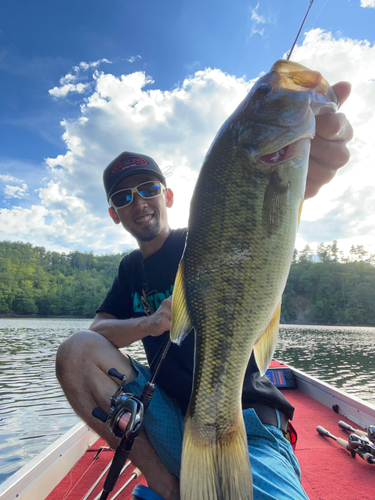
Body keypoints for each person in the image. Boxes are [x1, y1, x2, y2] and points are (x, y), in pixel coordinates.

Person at [56, 81, 353, 500]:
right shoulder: (129, 269)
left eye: (148, 188)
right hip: (173, 418)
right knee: (75, 352)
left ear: (168, 195)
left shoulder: (205, 237)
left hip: (247, 421)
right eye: (124, 196)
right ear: (114, 214)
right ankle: (169, 487)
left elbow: (253, 219)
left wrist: (297, 176)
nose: (139, 201)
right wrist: (149, 323)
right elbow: (97, 331)